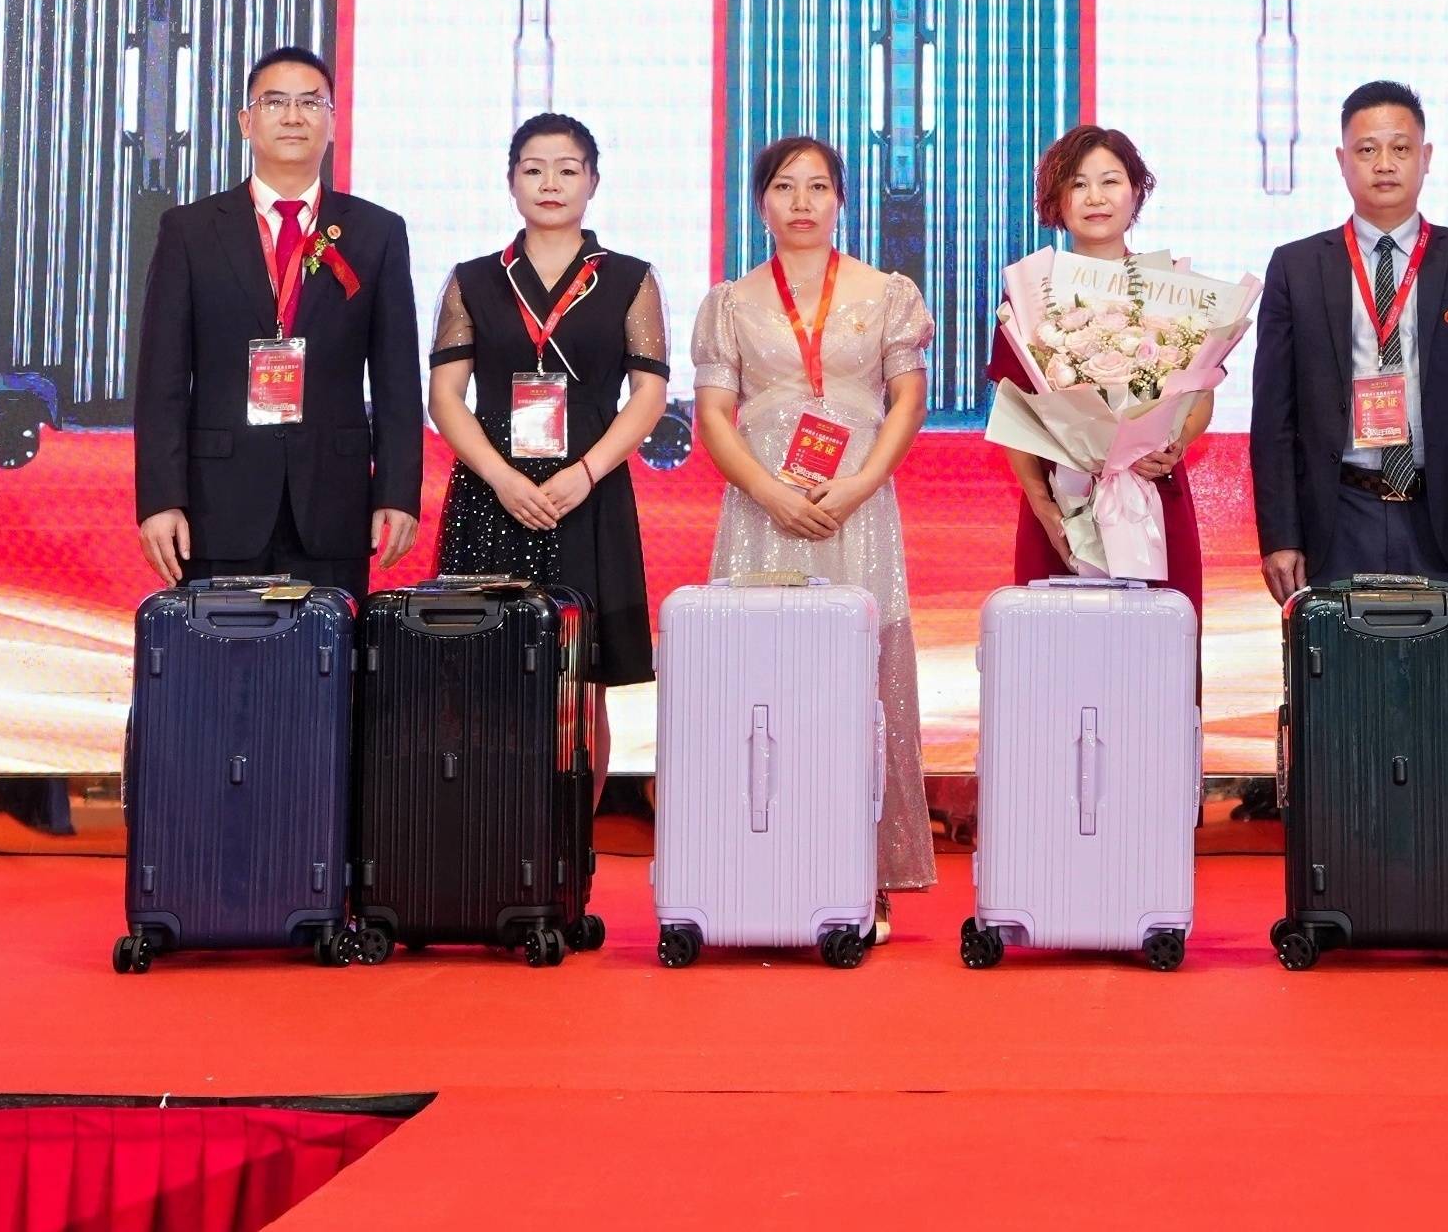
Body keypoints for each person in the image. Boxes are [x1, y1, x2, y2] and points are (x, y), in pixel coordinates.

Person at [690, 136, 937, 906]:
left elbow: (909, 400)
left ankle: (862, 872)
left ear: (841, 199)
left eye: (818, 186)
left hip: (854, 510)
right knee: (761, 681)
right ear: (760, 202)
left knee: (857, 684)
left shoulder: (887, 292)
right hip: (763, 508)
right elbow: (714, 416)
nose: (802, 201)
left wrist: (861, 483)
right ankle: (758, 858)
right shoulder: (730, 302)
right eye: (785, 186)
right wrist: (769, 492)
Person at [133, 48, 422, 603]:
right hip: (216, 501)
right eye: (275, 102)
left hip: (333, 501)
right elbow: (162, 381)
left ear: (332, 122)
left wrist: (397, 490)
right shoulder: (190, 230)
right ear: (246, 122)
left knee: (326, 650)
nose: (293, 116)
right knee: (221, 653)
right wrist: (161, 498)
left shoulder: (376, 232)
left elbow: (397, 380)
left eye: (311, 103)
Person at [1248, 81, 1448, 601]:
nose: (1384, 164)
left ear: (1426, 157)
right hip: (1335, 514)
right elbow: (1272, 416)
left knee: (1441, 656)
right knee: (1336, 655)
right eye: (1366, 150)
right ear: (1342, 161)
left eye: (1400, 148)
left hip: (1444, 517)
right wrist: (1280, 536)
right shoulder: (1296, 267)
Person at [425, 113, 665, 687]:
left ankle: (585, 759)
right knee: (485, 674)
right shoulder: (472, 280)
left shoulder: (630, 279)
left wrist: (587, 473)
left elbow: (649, 395)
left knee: (585, 678)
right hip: (493, 492)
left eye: (567, 171)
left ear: (593, 182)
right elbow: (445, 398)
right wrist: (500, 478)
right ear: (511, 181)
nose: (550, 184)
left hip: (589, 490)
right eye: (534, 170)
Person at [994, 124, 1214, 611]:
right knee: (1054, 643)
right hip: (1061, 504)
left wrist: (1174, 446)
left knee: (1158, 642)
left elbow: (1200, 395)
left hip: (1152, 494)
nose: (1095, 197)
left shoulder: (1172, 287)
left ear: (1136, 191)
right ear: (1057, 200)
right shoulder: (1031, 293)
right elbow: (1014, 414)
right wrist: (1042, 504)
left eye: (1110, 181)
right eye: (1078, 184)